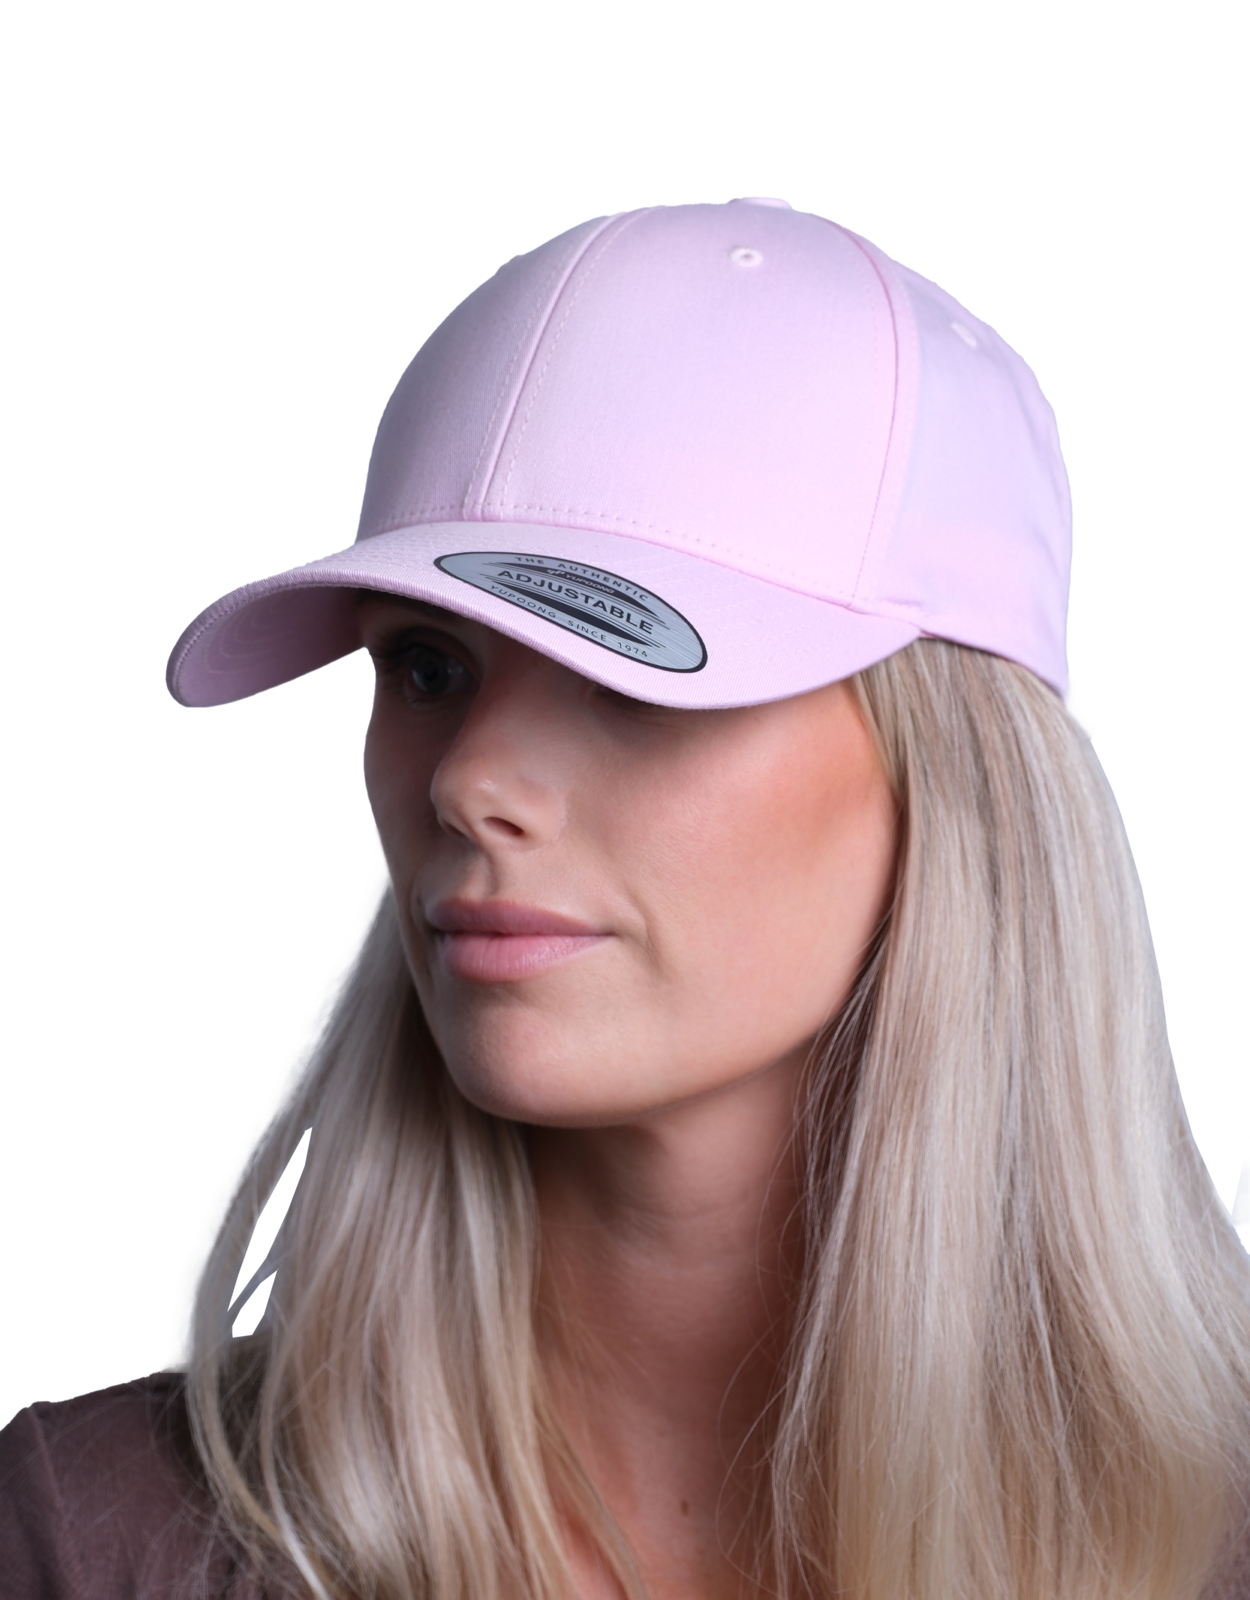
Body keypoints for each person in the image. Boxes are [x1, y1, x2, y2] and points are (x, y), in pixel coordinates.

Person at [2, 196, 1248, 1599]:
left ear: (952, 777)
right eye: (427, 667)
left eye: (631, 675)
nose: (469, 780)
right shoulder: (91, 1543)